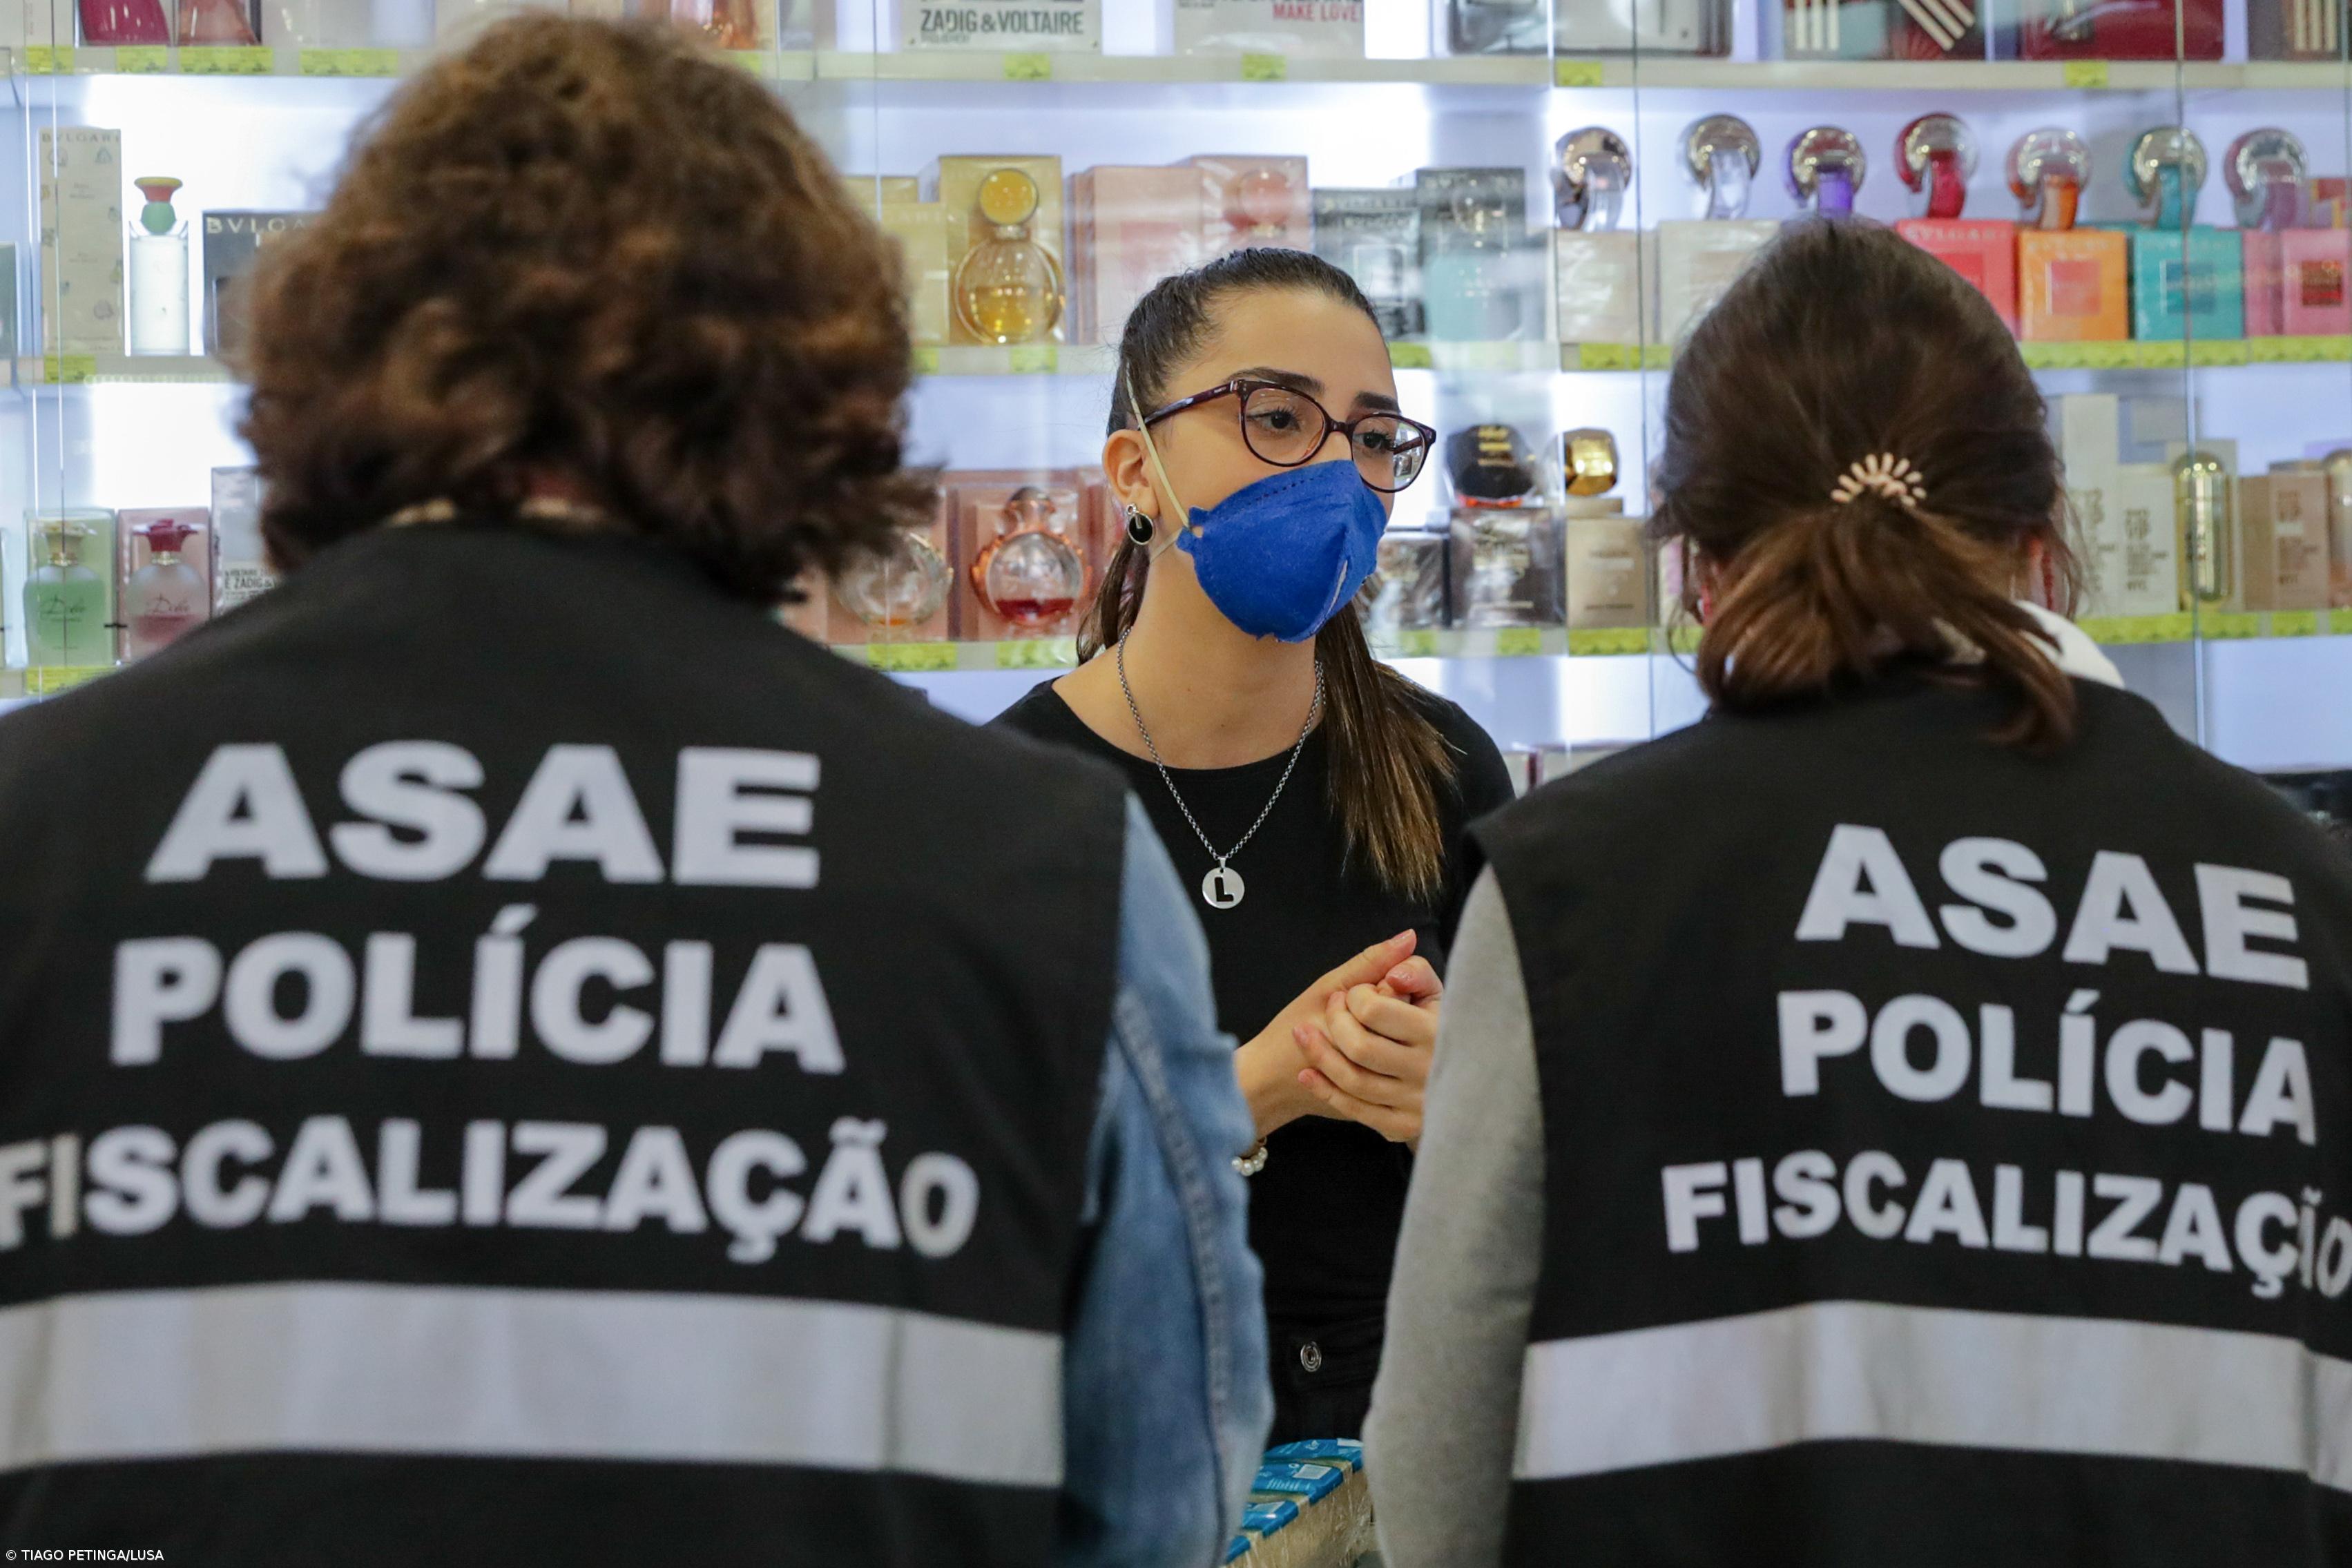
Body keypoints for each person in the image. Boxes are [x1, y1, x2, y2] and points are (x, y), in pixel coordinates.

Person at [0, 20, 1268, 1567]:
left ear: (332, 347)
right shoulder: (1044, 867)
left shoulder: (47, 821)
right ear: (815, 382)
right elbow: (1157, 1505)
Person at [1369, 217, 2352, 1565]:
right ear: (2036, 534)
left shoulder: (1575, 889)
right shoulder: (2300, 891)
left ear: (1693, 565)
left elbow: (1437, 1471)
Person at [995, 247, 1517, 1444]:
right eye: (1277, 418)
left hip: (1404, 1445)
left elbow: (1549, 1182)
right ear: (1137, 468)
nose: (1337, 473)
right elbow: (962, 1196)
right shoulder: (1009, 805)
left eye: (1372, 437)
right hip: (1120, 1449)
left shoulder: (1442, 772)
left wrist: (1465, 1108)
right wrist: (1253, 1092)